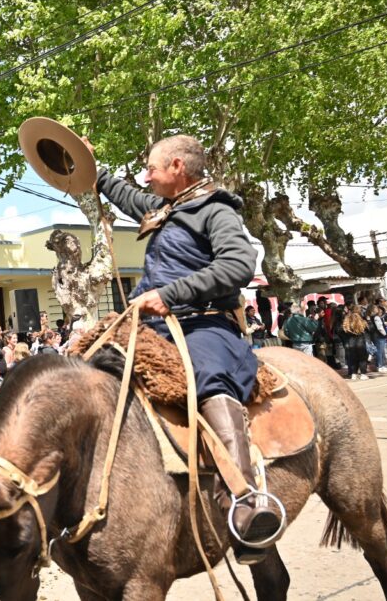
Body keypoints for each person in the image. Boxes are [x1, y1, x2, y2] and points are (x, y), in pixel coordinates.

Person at [89, 131, 280, 560]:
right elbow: (122, 194)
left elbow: (239, 264)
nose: (145, 177)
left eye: (151, 169)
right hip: (151, 325)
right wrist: (86, 165)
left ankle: (245, 504)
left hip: (205, 323)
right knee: (87, 360)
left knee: (208, 375)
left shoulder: (216, 210)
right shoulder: (164, 207)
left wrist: (171, 295)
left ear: (177, 166)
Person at [340, 304, 369, 381]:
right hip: (360, 342)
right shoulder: (360, 319)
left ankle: (354, 374)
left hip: (350, 342)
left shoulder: (347, 318)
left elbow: (342, 330)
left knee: (353, 359)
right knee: (362, 358)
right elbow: (367, 329)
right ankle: (363, 374)